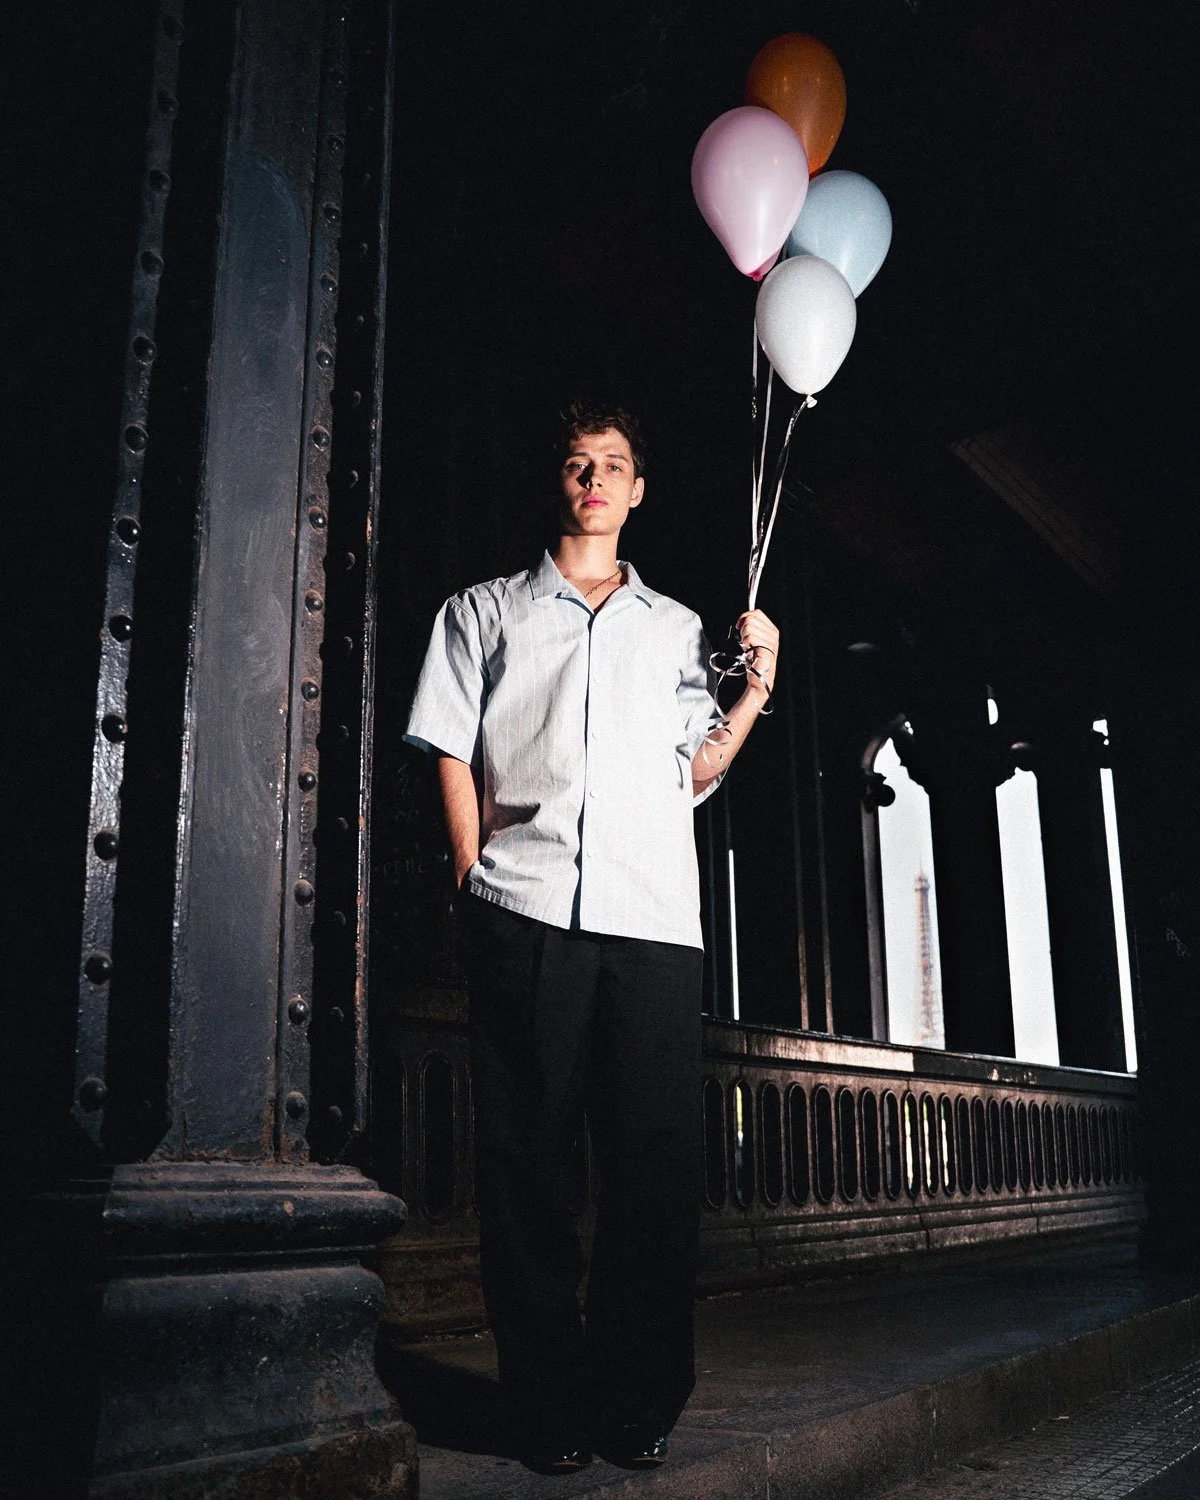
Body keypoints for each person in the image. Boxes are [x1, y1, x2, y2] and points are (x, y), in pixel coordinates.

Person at [404, 401, 779, 1473]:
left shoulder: (674, 628)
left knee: (654, 1174)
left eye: (613, 464)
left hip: (654, 925)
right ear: (558, 483)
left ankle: (638, 1401)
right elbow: (448, 745)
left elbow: (692, 769)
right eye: (578, 462)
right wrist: (474, 872)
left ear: (638, 489)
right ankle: (549, 1411)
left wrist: (751, 691)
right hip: (524, 913)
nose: (595, 478)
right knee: (526, 1171)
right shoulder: (481, 611)